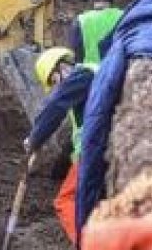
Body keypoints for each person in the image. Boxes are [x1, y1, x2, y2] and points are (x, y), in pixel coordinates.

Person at [22, 47, 98, 245]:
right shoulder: (94, 74)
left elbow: (56, 106)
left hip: (95, 149)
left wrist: (34, 139)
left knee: (65, 200)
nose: (58, 86)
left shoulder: (81, 76)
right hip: (104, 146)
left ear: (61, 68)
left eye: (54, 81)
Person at [68, 0, 124, 68]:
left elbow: (76, 61)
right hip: (118, 79)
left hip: (89, 81)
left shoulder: (80, 21)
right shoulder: (124, 17)